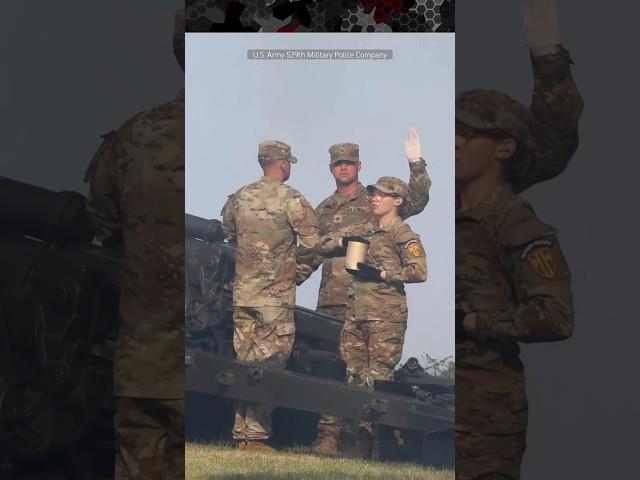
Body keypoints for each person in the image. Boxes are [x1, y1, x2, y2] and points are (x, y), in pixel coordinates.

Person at [455, 2, 583, 477]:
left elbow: (554, 317)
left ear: (504, 149)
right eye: (453, 130)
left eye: (471, 134)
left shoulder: (514, 225)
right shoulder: (449, 210)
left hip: (484, 416)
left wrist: (548, 56)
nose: (456, 141)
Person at [84, 9, 186, 479]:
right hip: (216, 374)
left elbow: (101, 229)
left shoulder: (131, 138)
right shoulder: (258, 147)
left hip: (143, 368)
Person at [299, 128, 431, 454]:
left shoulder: (378, 203)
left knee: (375, 374)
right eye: (337, 163)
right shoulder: (326, 208)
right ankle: (331, 437)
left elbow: (417, 199)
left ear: (359, 165)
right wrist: (287, 280)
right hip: (333, 299)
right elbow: (315, 252)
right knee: (333, 369)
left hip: (376, 305)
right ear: (331, 168)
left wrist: (416, 164)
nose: (343, 168)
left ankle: (369, 443)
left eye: (349, 163)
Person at [221, 140, 319, 452]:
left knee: (244, 363)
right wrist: (297, 273)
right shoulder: (292, 199)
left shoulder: (240, 197)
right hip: (275, 299)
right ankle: (257, 437)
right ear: (284, 164)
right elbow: (313, 244)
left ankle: (242, 434)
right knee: (270, 366)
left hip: (244, 295)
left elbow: (228, 235)